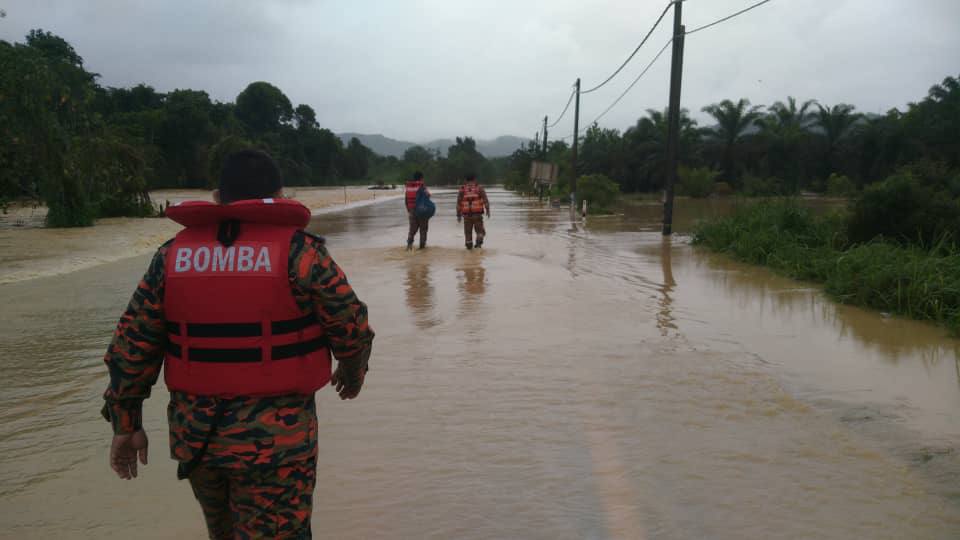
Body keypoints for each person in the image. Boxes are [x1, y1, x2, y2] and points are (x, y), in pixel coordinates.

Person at [101, 149, 374, 539]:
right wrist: (352, 373)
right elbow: (352, 327)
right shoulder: (302, 253)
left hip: (198, 442)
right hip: (278, 446)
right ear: (280, 195)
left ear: (217, 197)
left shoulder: (172, 256)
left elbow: (132, 345)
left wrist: (125, 425)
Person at [456, 173, 490, 250]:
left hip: (466, 216)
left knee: (467, 233)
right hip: (477, 215)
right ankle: (478, 244)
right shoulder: (479, 188)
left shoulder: (462, 189)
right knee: (480, 231)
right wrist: (488, 211)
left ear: (466, 180)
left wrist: (458, 215)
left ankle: (469, 249)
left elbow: (458, 203)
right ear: (474, 179)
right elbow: (485, 201)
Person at [404, 171, 431, 250]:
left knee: (412, 229)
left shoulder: (408, 187)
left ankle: (409, 246)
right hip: (422, 210)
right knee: (423, 229)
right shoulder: (422, 186)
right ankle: (422, 248)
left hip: (412, 210)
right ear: (421, 178)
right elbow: (428, 196)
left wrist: (409, 210)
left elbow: (406, 200)